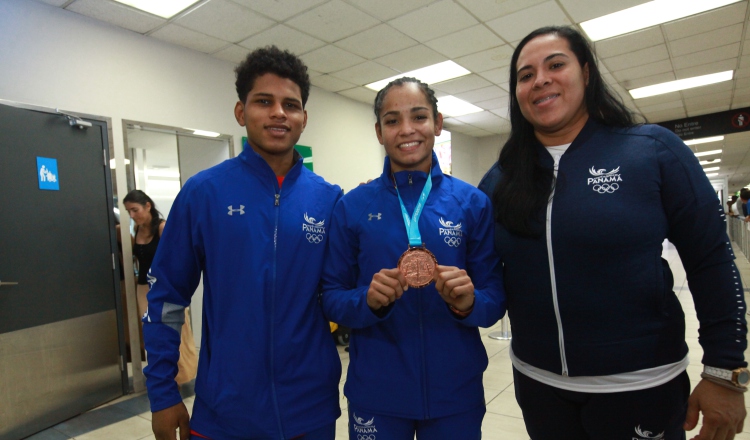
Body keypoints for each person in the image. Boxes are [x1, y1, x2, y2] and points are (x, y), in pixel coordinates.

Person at [478, 26, 747, 440]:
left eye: (555, 65)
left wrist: (725, 371)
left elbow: (710, 259)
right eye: (525, 74)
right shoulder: (500, 179)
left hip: (640, 386)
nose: (541, 80)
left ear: (586, 74)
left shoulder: (651, 151)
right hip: (538, 386)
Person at [143, 46, 342, 440]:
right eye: (263, 101)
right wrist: (163, 393)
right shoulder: (204, 193)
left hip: (310, 410)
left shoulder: (329, 199)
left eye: (291, 104)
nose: (278, 113)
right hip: (224, 411)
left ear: (304, 118)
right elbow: (167, 298)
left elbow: (342, 292)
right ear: (241, 112)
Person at [322, 77, 505, 440]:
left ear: (437, 123)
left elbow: (495, 297)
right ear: (379, 132)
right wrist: (368, 302)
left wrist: (470, 303)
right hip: (377, 393)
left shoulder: (472, 203)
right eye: (392, 121)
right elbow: (331, 297)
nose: (406, 130)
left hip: (456, 393)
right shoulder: (352, 207)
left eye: (418, 117)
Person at [122, 190, 197, 385]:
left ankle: (182, 375)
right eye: (128, 211)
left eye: (135, 209)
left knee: (176, 330)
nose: (132, 215)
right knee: (153, 333)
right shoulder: (135, 232)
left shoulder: (163, 228)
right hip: (143, 289)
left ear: (148, 206)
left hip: (165, 287)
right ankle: (162, 376)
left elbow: (174, 260)